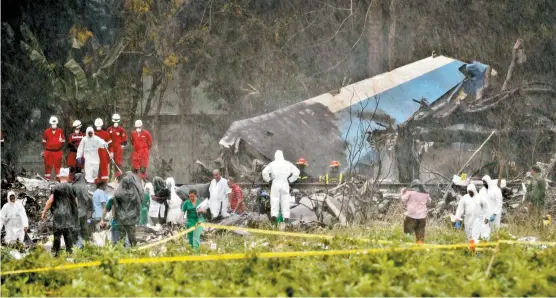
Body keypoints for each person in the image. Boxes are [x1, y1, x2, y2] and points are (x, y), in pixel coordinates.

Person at [42, 168, 78, 256]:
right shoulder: (71, 187)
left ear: (59, 176)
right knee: (68, 236)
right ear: (67, 176)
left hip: (58, 215)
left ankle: (55, 254)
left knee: (57, 236)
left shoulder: (55, 188)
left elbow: (50, 201)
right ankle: (70, 254)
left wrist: (44, 212)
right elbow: (75, 202)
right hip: (68, 215)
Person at [262, 150, 300, 223]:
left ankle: (274, 218)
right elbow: (297, 172)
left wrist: (268, 180)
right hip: (285, 183)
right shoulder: (287, 163)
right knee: (285, 201)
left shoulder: (272, 164)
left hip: (275, 183)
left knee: (274, 200)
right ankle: (286, 220)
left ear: (275, 156)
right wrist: (290, 180)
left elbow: (264, 172)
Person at [112, 172, 143, 247]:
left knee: (126, 237)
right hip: (129, 218)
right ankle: (131, 251)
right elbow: (138, 205)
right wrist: (138, 216)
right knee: (129, 237)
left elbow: (115, 204)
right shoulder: (132, 193)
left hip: (123, 218)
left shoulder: (119, 193)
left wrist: (118, 213)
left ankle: (127, 251)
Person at [400, 180, 431, 244]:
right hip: (422, 217)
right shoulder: (426, 193)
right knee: (420, 235)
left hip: (411, 216)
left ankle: (407, 246)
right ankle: (419, 248)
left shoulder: (410, 192)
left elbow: (403, 199)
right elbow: (429, 201)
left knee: (407, 232)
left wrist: (402, 192)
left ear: (413, 185)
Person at [42, 116, 66, 181]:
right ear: (50, 124)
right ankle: (47, 180)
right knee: (48, 166)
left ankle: (59, 180)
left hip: (58, 151)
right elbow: (44, 142)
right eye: (53, 124)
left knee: (58, 166)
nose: (54, 126)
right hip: (48, 151)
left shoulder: (60, 131)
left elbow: (63, 141)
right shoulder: (46, 132)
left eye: (55, 124)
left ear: (57, 124)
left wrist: (58, 146)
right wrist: (47, 149)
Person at [72, 173, 92, 242]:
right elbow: (88, 198)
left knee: (75, 229)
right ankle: (86, 244)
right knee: (84, 228)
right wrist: (90, 209)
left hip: (74, 212)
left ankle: (75, 244)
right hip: (83, 211)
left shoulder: (73, 186)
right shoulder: (85, 186)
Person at [94, 118, 112, 183]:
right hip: (95, 154)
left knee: (104, 171)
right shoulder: (92, 134)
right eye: (97, 126)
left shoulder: (106, 134)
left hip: (103, 155)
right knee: (95, 170)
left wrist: (111, 152)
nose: (98, 127)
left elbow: (110, 145)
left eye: (99, 126)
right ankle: (95, 184)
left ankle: (104, 184)